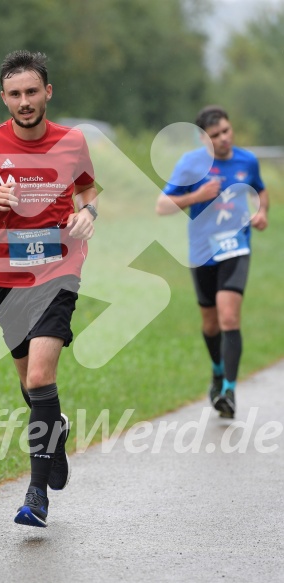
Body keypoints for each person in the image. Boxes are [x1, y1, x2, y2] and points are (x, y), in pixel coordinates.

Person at [0, 50, 98, 527]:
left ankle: (36, 497)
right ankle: (55, 428)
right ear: (4, 98)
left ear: (47, 92)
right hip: (4, 276)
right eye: (15, 94)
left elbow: (89, 189)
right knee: (29, 386)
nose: (25, 101)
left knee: (38, 377)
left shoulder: (72, 142)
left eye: (32, 91)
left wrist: (87, 212)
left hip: (58, 271)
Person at [156, 105, 268, 419]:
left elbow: (261, 189)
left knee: (229, 316)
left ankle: (230, 391)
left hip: (236, 246)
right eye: (216, 135)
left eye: (227, 131)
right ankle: (218, 372)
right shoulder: (190, 165)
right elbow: (162, 205)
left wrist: (261, 212)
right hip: (203, 251)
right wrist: (197, 196)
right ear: (204, 140)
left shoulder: (247, 160)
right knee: (210, 322)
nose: (224, 139)